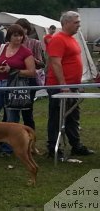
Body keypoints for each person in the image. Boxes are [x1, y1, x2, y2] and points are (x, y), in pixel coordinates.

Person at [0, 24, 35, 155]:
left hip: (15, 86)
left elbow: (31, 72)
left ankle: (7, 148)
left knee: (11, 118)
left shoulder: (26, 52)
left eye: (21, 35)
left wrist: (14, 71)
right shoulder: (0, 48)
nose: (18, 38)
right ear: (9, 36)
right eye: (15, 35)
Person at [46, 11, 94, 160]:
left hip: (72, 85)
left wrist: (77, 83)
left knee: (73, 116)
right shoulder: (58, 39)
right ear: (66, 23)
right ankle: (54, 148)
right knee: (57, 117)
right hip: (59, 86)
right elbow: (55, 62)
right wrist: (63, 84)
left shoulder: (72, 39)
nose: (79, 25)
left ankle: (76, 145)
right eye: (76, 22)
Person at [14, 18, 46, 129]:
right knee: (12, 108)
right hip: (15, 80)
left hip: (29, 80)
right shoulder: (11, 43)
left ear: (27, 29)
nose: (20, 32)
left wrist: (31, 59)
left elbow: (42, 63)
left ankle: (30, 133)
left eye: (23, 29)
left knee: (27, 110)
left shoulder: (35, 43)